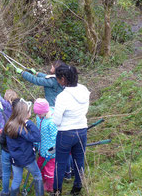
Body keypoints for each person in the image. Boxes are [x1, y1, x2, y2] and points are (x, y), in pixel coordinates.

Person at [50, 65, 90, 196]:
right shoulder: (84, 90)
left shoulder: (63, 97)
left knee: (60, 163)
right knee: (79, 161)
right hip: (82, 130)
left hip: (66, 133)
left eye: (57, 79)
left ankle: (57, 191)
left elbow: (56, 120)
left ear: (63, 79)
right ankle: (77, 189)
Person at [4, 98, 44, 196]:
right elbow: (37, 137)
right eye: (29, 111)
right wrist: (28, 122)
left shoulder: (10, 124)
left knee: (17, 179)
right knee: (38, 176)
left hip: (15, 159)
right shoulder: (22, 128)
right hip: (27, 159)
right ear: (25, 114)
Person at [34, 98, 58, 193]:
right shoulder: (39, 118)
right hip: (41, 150)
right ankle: (44, 184)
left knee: (49, 172)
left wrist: (51, 151)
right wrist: (36, 143)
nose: (38, 116)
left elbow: (56, 140)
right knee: (40, 168)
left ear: (45, 111)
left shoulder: (51, 122)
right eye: (37, 114)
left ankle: (51, 189)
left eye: (40, 114)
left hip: (50, 153)